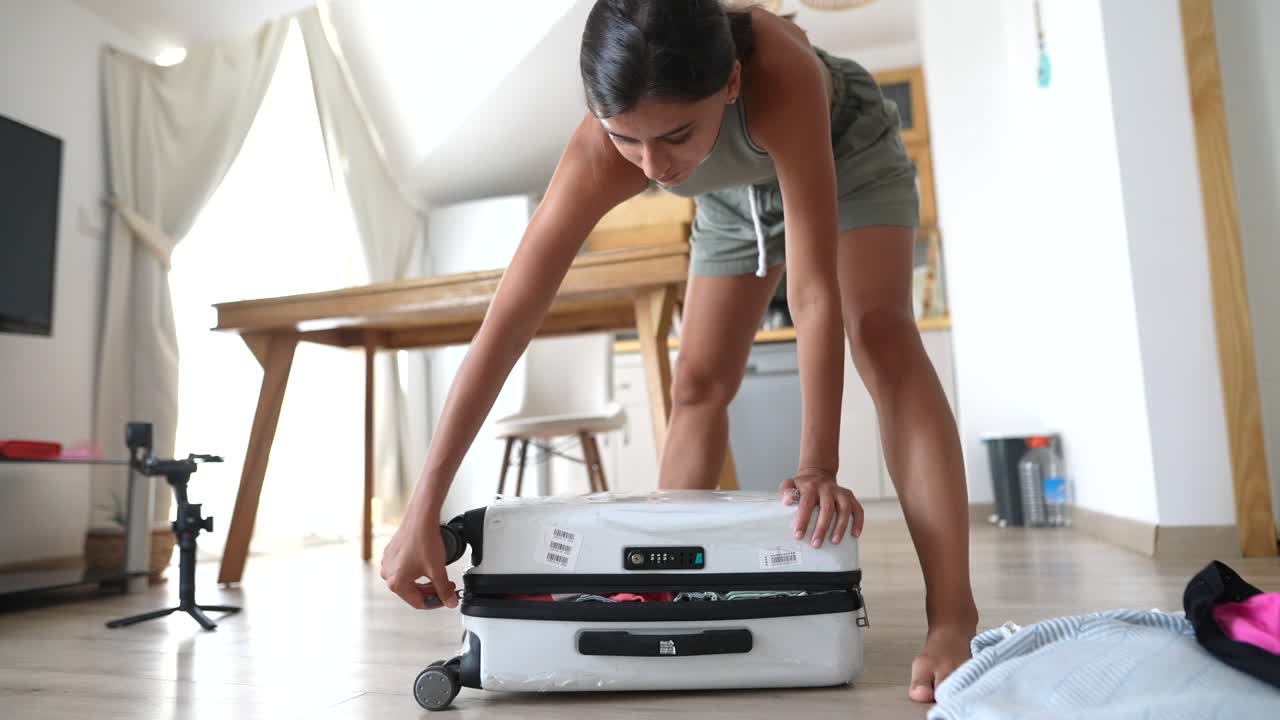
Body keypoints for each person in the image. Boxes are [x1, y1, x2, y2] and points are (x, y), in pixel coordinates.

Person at [380, 0, 977, 702]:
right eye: (627, 140)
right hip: (729, 193)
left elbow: (815, 293)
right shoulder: (603, 151)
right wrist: (423, 504)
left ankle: (953, 617)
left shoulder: (779, 72)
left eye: (672, 135)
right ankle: (665, 596)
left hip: (842, 149)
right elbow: (506, 326)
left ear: (727, 82)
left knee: (879, 330)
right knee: (694, 382)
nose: (654, 169)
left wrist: (817, 465)